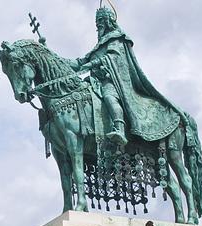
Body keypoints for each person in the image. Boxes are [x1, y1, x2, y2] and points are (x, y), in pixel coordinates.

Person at [70, 7, 185, 146]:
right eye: (96, 21)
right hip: (94, 81)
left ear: (108, 20)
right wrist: (56, 59)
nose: (98, 24)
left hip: (112, 81)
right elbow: (79, 62)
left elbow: (113, 56)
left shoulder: (117, 38)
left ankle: (119, 129)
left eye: (100, 20)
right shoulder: (98, 45)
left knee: (109, 96)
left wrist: (92, 64)